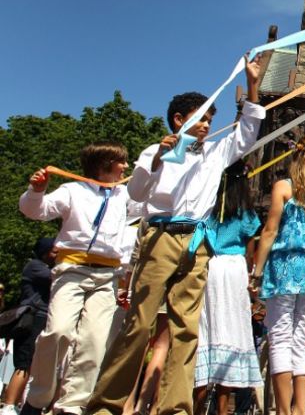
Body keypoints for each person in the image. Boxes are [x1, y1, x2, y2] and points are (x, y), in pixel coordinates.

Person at [88, 58, 264, 415]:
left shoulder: (215, 153)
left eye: (211, 120)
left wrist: (253, 84)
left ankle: (176, 408)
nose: (207, 126)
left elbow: (247, 131)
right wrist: (158, 160)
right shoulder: (156, 152)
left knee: (187, 329)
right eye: (201, 118)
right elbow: (136, 194)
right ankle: (106, 405)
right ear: (179, 120)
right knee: (140, 324)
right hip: (161, 236)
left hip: (197, 243)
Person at [17, 143, 139, 415]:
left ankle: (72, 405)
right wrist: (36, 191)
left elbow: (152, 196)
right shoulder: (73, 191)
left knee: (94, 341)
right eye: (122, 162)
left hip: (107, 276)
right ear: (105, 164)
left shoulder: (125, 195)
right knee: (58, 332)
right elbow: (35, 211)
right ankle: (37, 400)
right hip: (71, 270)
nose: (126, 168)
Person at [250, 133, 305, 415]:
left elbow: (270, 230)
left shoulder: (284, 188)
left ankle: (284, 411)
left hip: (285, 266)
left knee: (279, 337)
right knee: (300, 340)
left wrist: (257, 270)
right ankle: (300, 410)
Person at [193, 160, 264, 415]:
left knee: (207, 332)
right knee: (231, 331)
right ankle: (223, 409)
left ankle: (198, 406)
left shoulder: (211, 211)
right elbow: (250, 252)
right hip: (235, 270)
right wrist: (252, 277)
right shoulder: (247, 214)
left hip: (212, 267)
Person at [0, 239, 55, 415]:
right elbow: (55, 277)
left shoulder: (41, 266)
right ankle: (9, 405)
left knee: (30, 364)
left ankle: (16, 404)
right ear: (45, 252)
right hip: (32, 318)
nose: (57, 255)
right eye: (54, 251)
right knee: (24, 364)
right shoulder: (35, 266)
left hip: (40, 318)